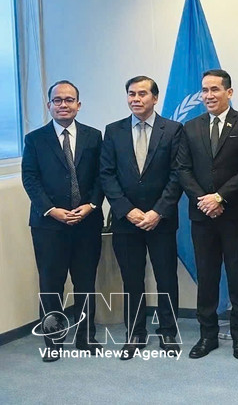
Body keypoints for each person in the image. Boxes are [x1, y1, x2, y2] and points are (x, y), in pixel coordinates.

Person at [177, 69, 238, 360]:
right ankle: (207, 336)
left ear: (229, 92)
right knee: (207, 277)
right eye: (204, 90)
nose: (208, 95)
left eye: (214, 89)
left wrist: (220, 196)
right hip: (202, 215)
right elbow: (183, 169)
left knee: (237, 277)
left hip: (234, 213)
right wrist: (204, 200)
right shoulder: (189, 126)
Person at [99, 76, 183, 359]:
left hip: (161, 220)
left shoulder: (172, 130)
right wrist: (128, 210)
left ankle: (168, 332)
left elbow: (177, 175)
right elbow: (107, 175)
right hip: (127, 221)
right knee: (132, 280)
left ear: (155, 98)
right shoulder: (113, 131)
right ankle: (135, 333)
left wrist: (158, 211)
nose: (136, 99)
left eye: (142, 94)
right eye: (131, 94)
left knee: (166, 278)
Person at [21, 80, 104, 361]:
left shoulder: (94, 137)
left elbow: (101, 177)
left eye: (69, 100)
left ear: (78, 105)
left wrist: (91, 205)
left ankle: (86, 337)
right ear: (49, 106)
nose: (63, 105)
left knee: (85, 283)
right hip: (49, 225)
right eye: (58, 100)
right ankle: (53, 341)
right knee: (51, 284)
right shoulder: (35, 139)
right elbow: (30, 179)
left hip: (87, 223)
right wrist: (51, 209)